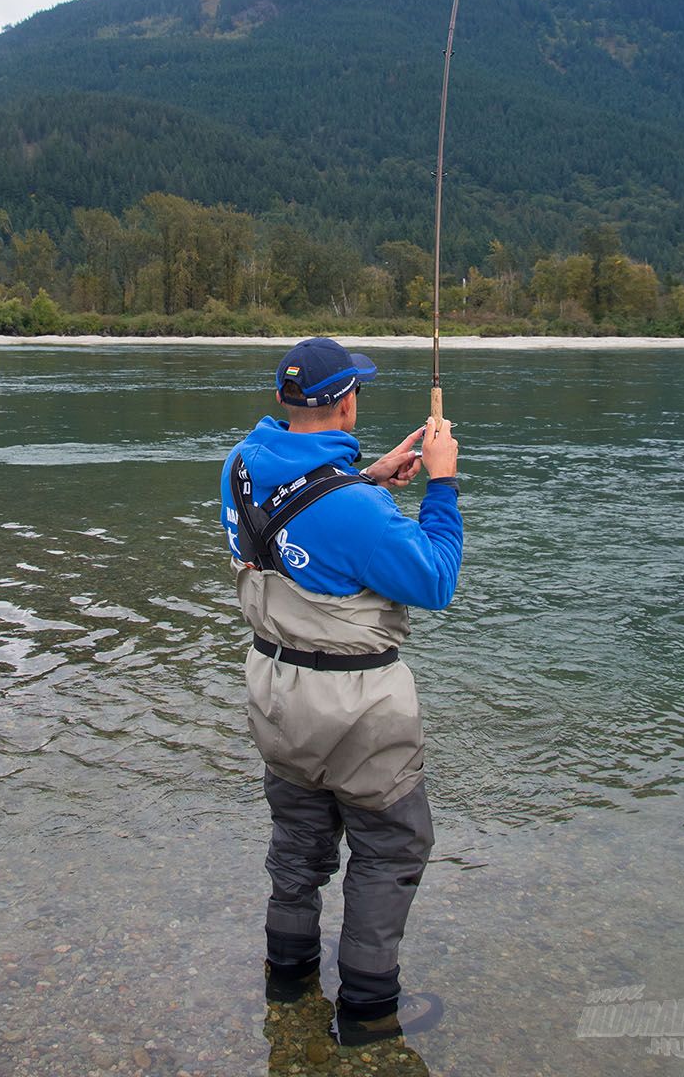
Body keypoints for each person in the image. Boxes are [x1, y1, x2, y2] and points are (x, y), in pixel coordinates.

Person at [220, 336, 462, 1042]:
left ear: (285, 399)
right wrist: (440, 485)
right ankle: (366, 1011)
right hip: (356, 708)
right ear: (345, 400)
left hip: (274, 689)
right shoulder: (353, 510)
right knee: (391, 846)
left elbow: (308, 512)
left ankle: (289, 978)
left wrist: (374, 477)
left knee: (297, 838)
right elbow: (434, 579)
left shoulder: (239, 465)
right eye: (357, 388)